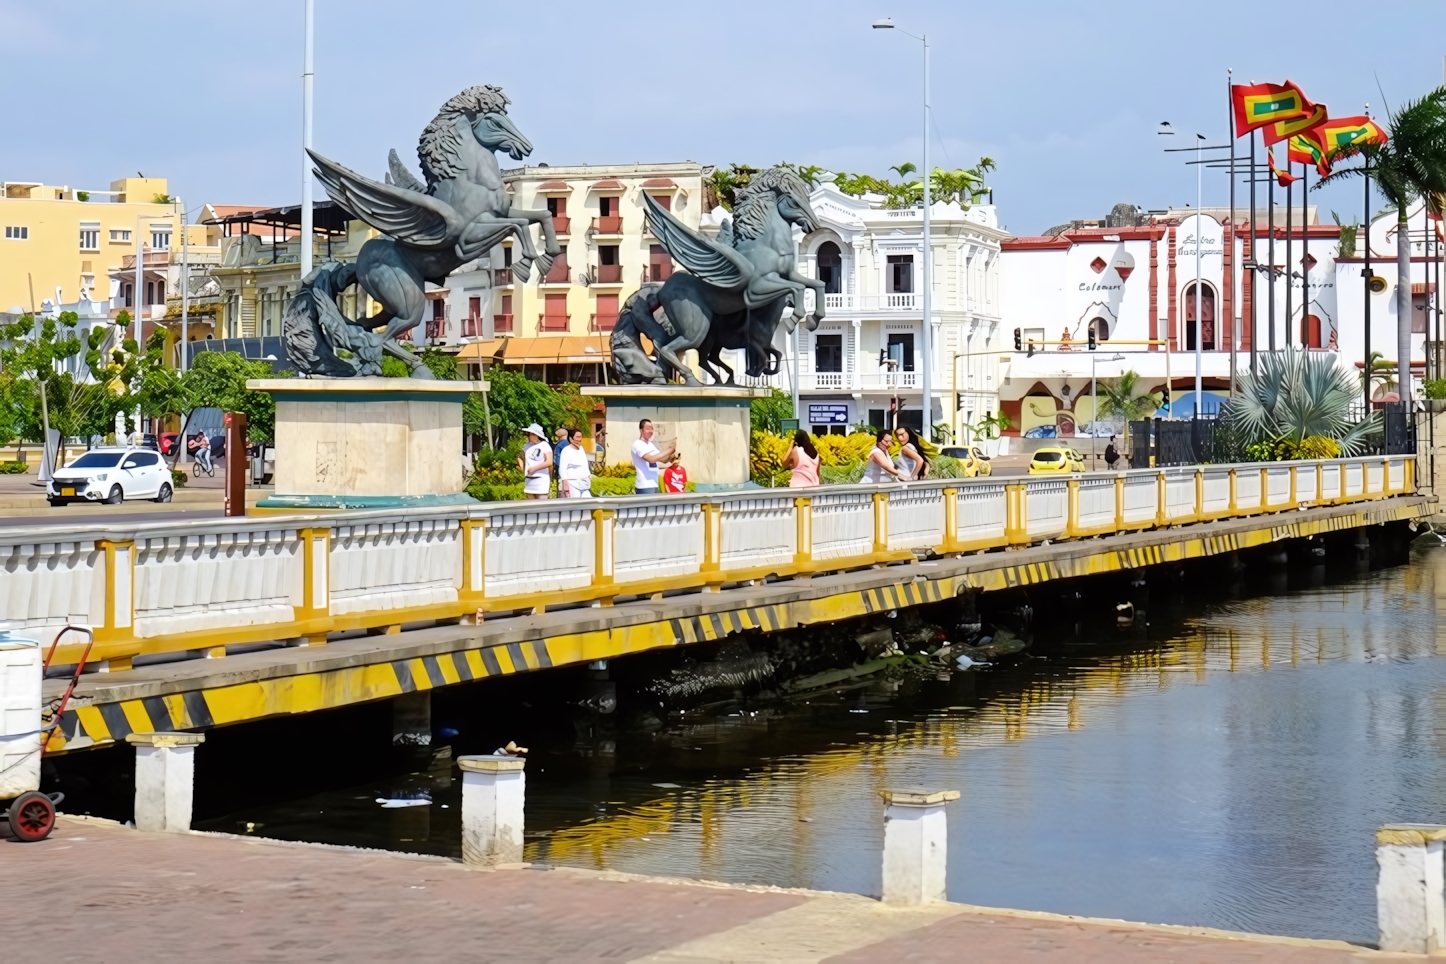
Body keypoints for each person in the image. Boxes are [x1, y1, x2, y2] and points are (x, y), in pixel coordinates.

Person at [631, 419, 674, 495]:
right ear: (641, 430)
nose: (650, 431)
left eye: (652, 428)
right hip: (644, 487)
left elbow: (663, 459)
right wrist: (670, 449)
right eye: (648, 428)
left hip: (655, 485)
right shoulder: (637, 444)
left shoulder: (650, 445)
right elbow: (651, 459)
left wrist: (671, 457)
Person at [518, 423, 553, 499]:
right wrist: (524, 469)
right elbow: (520, 457)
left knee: (542, 504)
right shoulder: (527, 446)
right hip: (529, 479)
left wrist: (535, 468)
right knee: (531, 505)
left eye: (532, 434)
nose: (529, 436)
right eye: (529, 434)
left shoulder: (544, 445)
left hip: (541, 478)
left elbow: (549, 462)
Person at [558, 427, 592, 498]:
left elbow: (584, 465)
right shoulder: (566, 450)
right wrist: (565, 484)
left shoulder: (581, 449)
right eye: (577, 437)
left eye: (580, 437)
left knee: (588, 503)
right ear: (571, 438)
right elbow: (563, 468)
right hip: (572, 483)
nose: (579, 439)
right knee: (575, 506)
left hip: (584, 483)